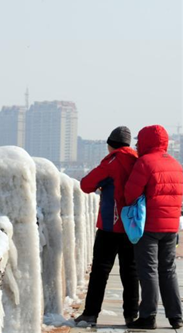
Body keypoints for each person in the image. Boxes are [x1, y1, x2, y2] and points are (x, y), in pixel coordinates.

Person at [75, 126, 139, 326]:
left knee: (100, 271)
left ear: (111, 145)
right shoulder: (138, 161)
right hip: (133, 226)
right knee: (131, 271)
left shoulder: (112, 162)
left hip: (110, 227)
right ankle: (131, 315)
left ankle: (91, 314)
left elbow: (86, 185)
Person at [124, 125, 183, 329]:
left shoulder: (144, 162)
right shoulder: (176, 164)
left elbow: (130, 194)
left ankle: (148, 316)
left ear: (147, 142)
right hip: (171, 227)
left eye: (139, 141)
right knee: (168, 270)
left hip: (148, 227)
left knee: (148, 270)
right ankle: (176, 316)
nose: (137, 145)